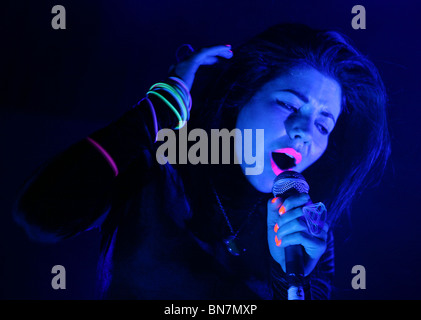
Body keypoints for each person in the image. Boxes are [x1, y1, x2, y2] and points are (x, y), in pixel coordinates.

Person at [13, 23, 391, 299]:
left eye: (324, 125)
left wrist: (290, 278)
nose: (304, 131)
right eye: (288, 104)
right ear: (240, 98)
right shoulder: (159, 166)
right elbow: (41, 216)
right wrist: (155, 113)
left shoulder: (304, 228)